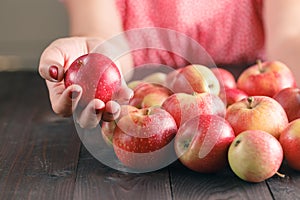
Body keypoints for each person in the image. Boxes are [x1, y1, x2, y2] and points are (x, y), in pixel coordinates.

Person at [39, 0, 300, 128]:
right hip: (141, 110)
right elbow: (107, 39)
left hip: (250, 114)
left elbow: (288, 37)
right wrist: (95, 63)